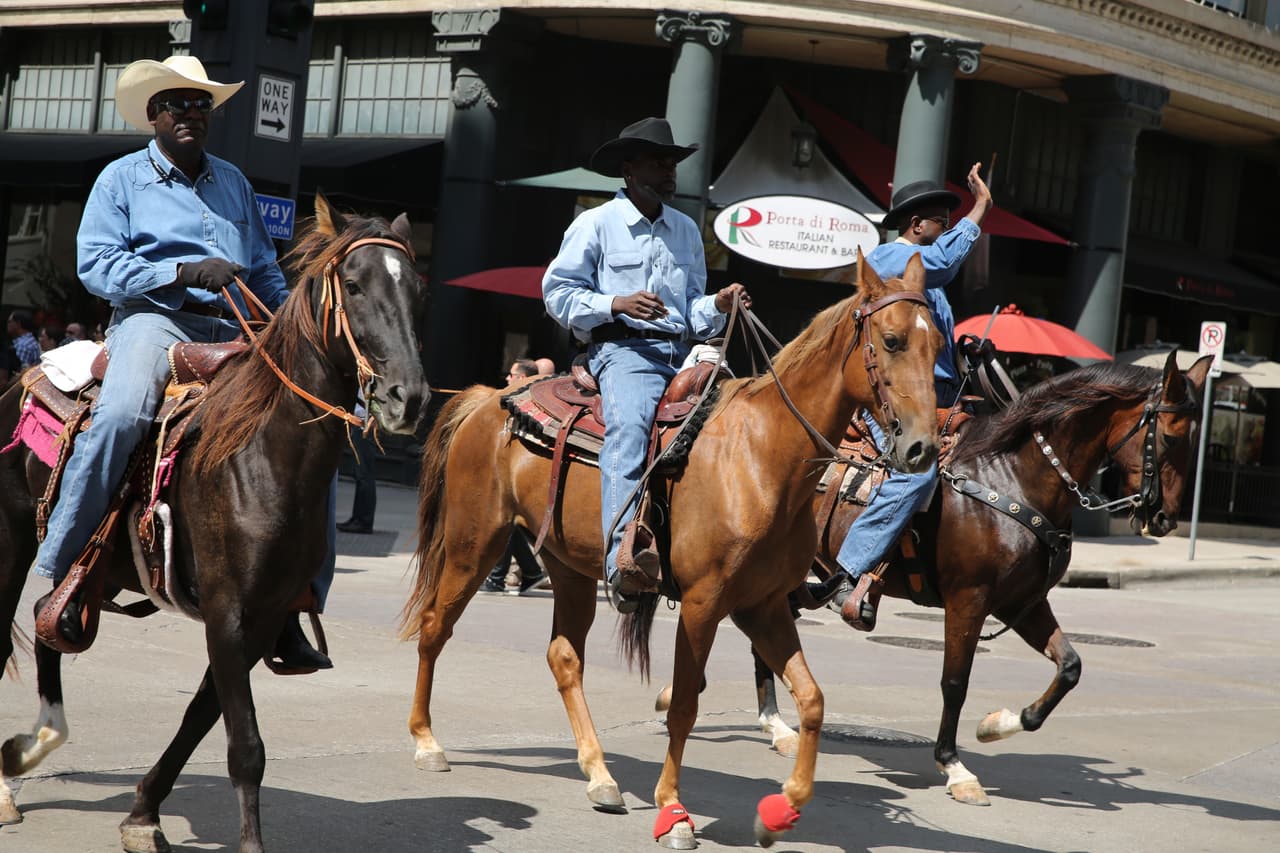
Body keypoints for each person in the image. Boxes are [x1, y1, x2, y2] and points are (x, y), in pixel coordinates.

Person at [34, 54, 330, 668]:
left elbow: (265, 268)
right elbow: (96, 265)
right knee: (122, 415)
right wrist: (180, 271)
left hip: (234, 324)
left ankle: (295, 600)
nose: (191, 113)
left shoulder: (234, 182)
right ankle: (69, 562)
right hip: (153, 320)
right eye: (177, 104)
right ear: (154, 114)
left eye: (201, 104)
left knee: (311, 424)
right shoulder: (120, 180)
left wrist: (289, 326)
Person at [542, 117, 750, 612]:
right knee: (631, 428)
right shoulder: (595, 223)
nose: (669, 171)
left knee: (742, 428)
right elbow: (557, 293)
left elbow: (692, 311)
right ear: (629, 169)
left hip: (682, 354)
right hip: (624, 353)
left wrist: (719, 304)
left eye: (672, 163)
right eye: (659, 162)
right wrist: (616, 303)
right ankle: (622, 560)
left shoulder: (686, 231)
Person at [829, 163, 993, 631]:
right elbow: (942, 262)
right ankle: (848, 569)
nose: (946, 229)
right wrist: (979, 209)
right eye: (942, 222)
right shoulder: (889, 260)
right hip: (894, 396)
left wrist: (963, 354)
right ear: (917, 224)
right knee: (916, 475)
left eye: (949, 222)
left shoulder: (927, 286)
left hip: (940, 397)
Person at [481, 358, 548, 594]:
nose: (507, 379)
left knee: (507, 520)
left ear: (521, 378)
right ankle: (531, 573)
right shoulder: (523, 398)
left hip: (519, 474)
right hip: (514, 471)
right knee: (514, 524)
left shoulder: (526, 402)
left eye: (511, 375)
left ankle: (498, 578)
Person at [337, 391, 378, 534]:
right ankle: (357, 518)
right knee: (360, 474)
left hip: (364, 424)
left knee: (364, 474)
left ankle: (364, 521)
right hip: (358, 421)